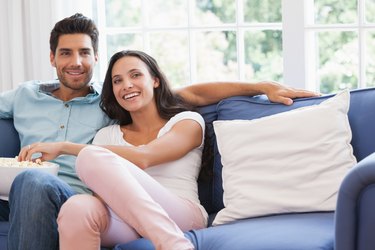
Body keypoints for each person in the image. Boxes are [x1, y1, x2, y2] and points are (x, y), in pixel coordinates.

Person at [0, 13, 318, 250]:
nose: (126, 86)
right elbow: (105, 190)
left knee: (90, 159)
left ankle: (172, 243)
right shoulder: (102, 125)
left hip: (179, 209)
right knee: (77, 207)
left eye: (84, 52)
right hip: (111, 208)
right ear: (52, 58)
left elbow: (189, 98)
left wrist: (261, 86)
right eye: (118, 81)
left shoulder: (183, 120)